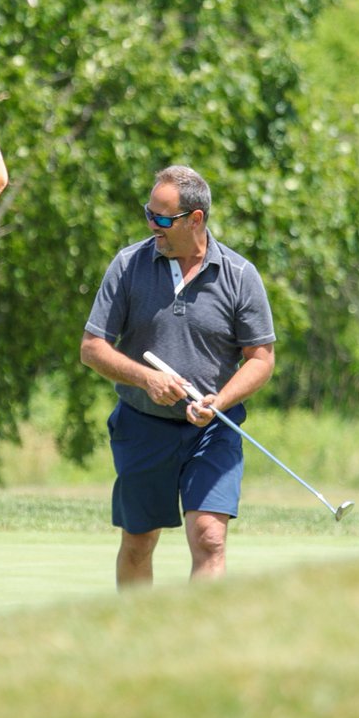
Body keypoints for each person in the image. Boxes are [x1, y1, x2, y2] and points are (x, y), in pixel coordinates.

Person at [80, 165, 275, 586]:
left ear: (196, 219)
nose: (152, 225)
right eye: (149, 214)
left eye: (163, 219)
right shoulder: (129, 264)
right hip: (142, 426)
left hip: (213, 429)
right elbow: (92, 349)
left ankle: (195, 646)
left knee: (210, 538)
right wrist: (145, 379)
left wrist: (219, 402)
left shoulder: (240, 276)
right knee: (138, 540)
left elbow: (261, 359)